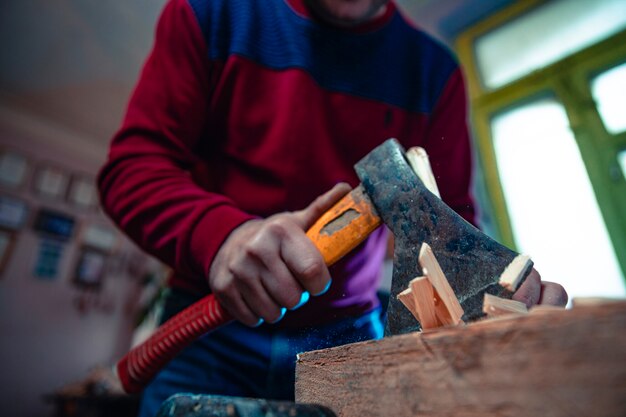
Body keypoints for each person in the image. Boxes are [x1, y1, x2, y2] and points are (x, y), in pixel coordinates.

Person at [98, 0, 567, 415]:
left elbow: (452, 231)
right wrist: (222, 237)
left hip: (349, 335)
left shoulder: (433, 72)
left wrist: (491, 295)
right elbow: (132, 169)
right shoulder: (209, 12)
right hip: (209, 328)